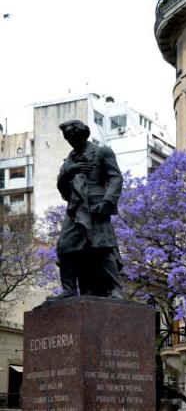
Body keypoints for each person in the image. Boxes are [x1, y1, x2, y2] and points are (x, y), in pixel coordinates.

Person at [47, 119, 124, 300]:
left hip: (97, 205)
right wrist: (69, 171)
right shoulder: (69, 160)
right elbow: (61, 187)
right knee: (64, 247)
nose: (71, 142)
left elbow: (116, 178)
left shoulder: (102, 152)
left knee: (102, 247)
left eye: (73, 138)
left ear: (83, 135)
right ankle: (69, 289)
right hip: (75, 207)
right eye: (68, 139)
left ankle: (115, 289)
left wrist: (107, 202)